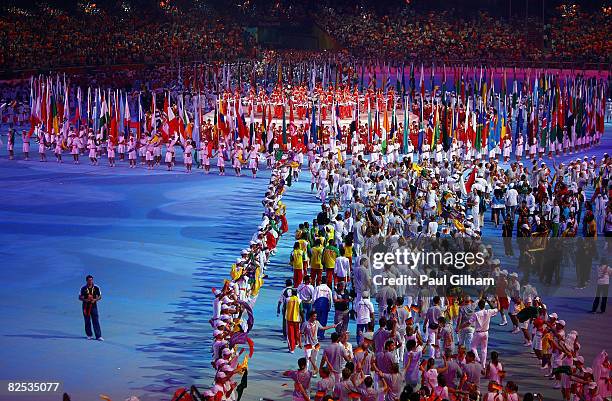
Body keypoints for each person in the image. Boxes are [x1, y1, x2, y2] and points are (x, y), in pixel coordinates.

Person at [78, 275, 103, 341]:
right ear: (86, 281)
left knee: (96, 320)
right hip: (85, 306)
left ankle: (98, 336)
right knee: (87, 320)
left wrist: (95, 300)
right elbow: (80, 297)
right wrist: (86, 300)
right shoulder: (83, 288)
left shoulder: (96, 287)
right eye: (89, 280)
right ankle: (89, 335)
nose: (90, 281)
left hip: (93, 306)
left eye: (91, 280)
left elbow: (100, 296)